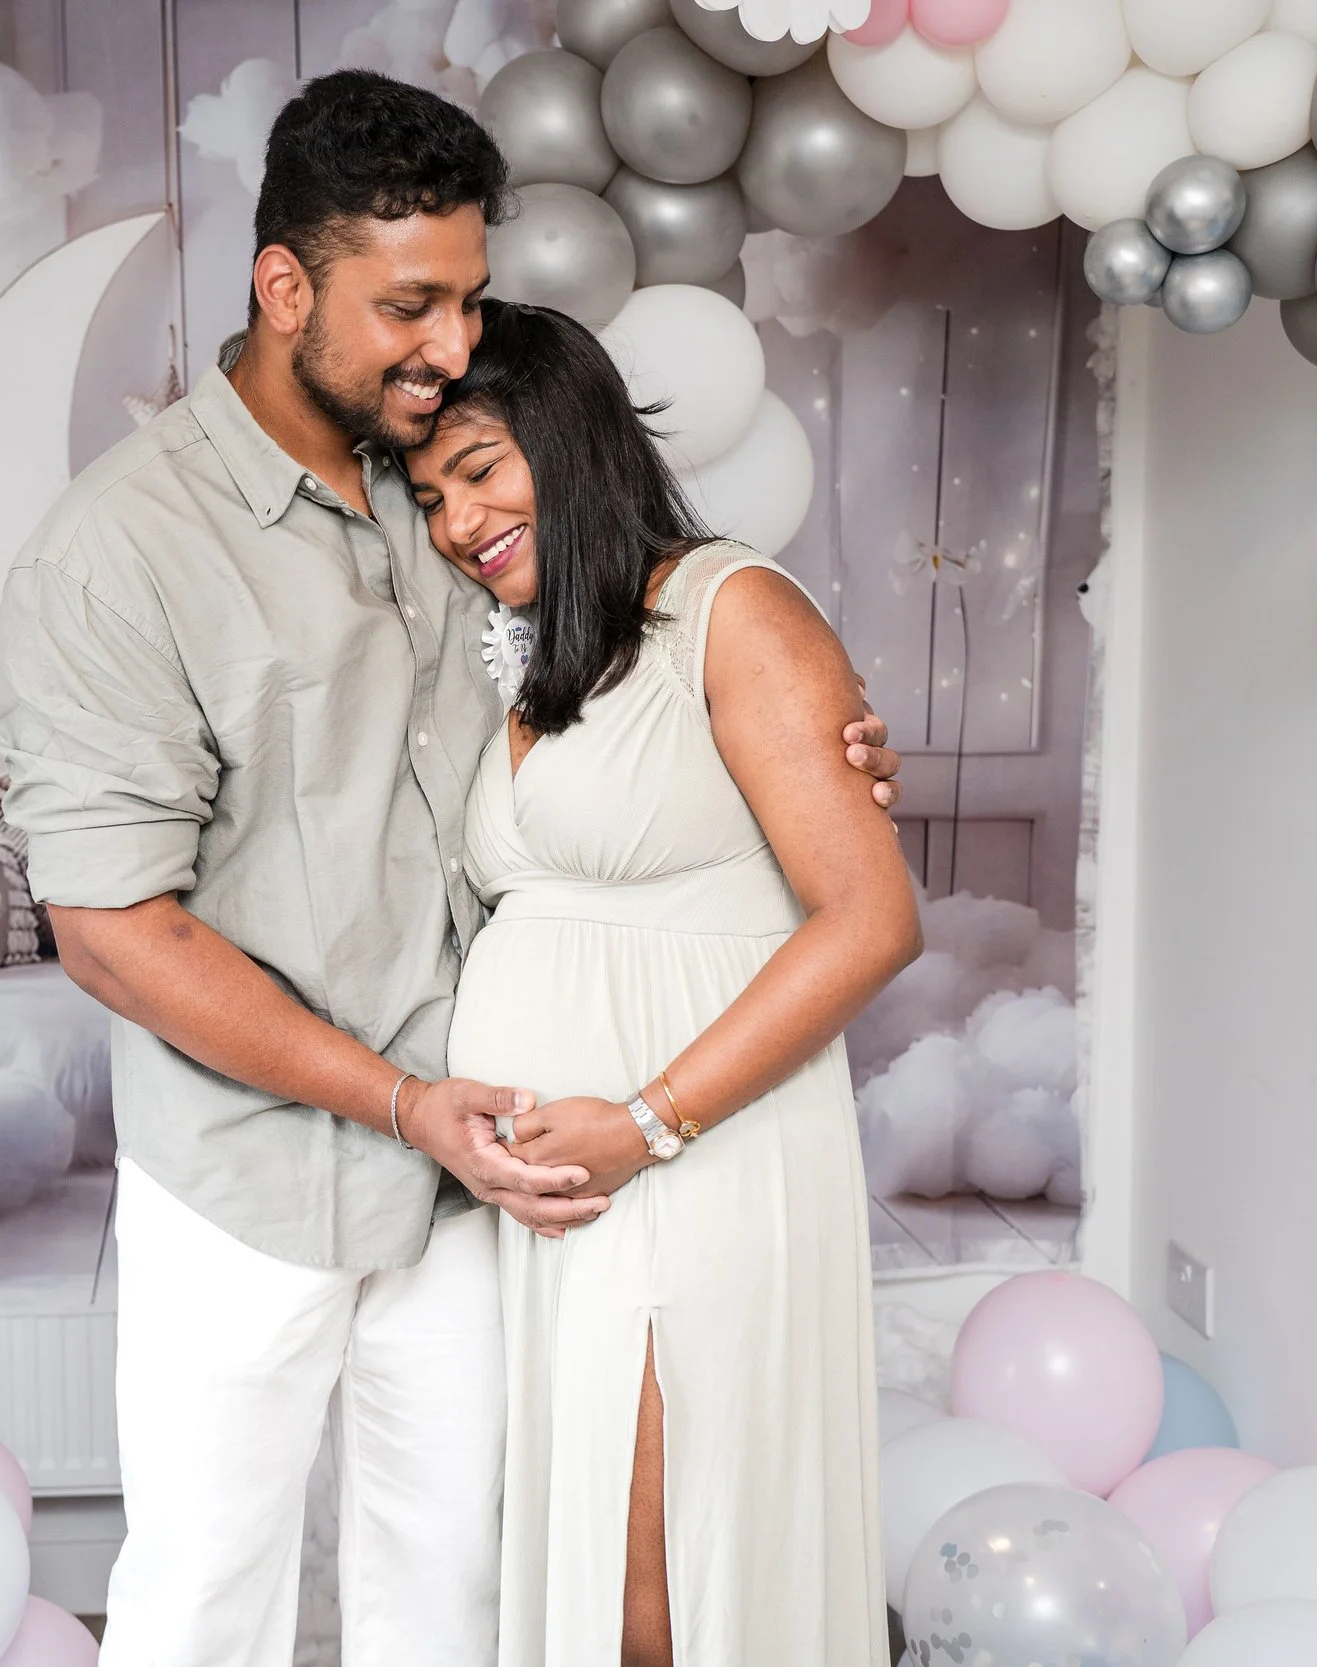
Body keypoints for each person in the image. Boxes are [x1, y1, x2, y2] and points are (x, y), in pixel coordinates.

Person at [0, 71, 901, 1667]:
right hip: (254, 1170)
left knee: (456, 1590)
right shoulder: (118, 551)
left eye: (469, 300)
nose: (450, 344)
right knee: (206, 1596)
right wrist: (401, 1102)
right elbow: (112, 930)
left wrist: (831, 748)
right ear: (285, 288)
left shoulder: (452, 478)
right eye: (410, 305)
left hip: (481, 1172)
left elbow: (646, 675)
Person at [404, 298, 922, 1667]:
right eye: (431, 496)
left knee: (667, 1576)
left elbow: (872, 919)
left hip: (694, 1153)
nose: (458, 523)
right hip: (565, 1186)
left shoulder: (731, 609)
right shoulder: (530, 647)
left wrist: (646, 1122)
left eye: (480, 470)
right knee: (598, 1554)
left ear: (569, 439)